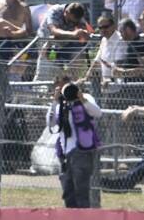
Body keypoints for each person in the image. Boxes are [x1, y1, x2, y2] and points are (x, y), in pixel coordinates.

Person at [47, 79, 101, 208]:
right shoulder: (59, 103)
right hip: (64, 151)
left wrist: (81, 99)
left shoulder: (86, 98)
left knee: (81, 189)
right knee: (68, 191)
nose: (67, 91)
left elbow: (97, 113)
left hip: (82, 149)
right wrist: (54, 101)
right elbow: (50, 123)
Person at [35, 2, 89, 81]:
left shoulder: (78, 16)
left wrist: (84, 33)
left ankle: (70, 84)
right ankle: (40, 89)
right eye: (70, 20)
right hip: (46, 43)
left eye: (74, 22)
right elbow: (54, 30)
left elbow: (83, 29)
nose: (72, 23)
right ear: (66, 12)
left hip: (64, 44)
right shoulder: (55, 11)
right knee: (46, 70)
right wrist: (73, 34)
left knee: (78, 58)